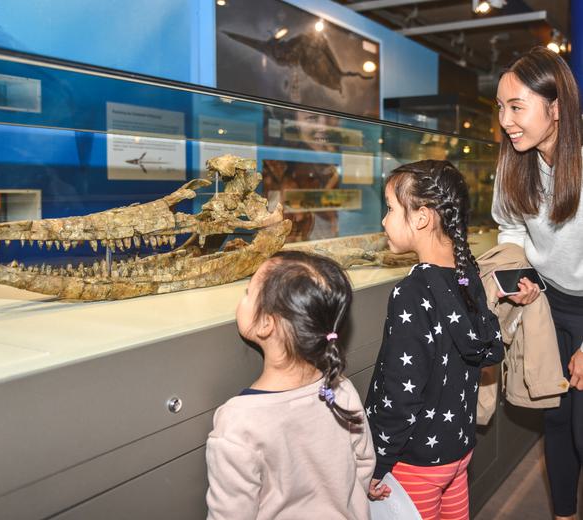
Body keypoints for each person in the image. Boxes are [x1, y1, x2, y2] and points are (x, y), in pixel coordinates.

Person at [365, 160, 504, 519]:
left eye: (391, 208)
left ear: (423, 217)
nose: (384, 220)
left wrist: (378, 463)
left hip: (415, 464)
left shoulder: (410, 293)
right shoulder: (466, 276)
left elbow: (401, 392)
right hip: (457, 452)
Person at [205, 250, 377, 520]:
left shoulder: (238, 422)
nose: (244, 296)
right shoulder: (340, 389)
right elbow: (364, 463)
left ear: (265, 324)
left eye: (248, 292)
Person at [493, 46, 583, 520]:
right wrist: (521, 279)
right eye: (502, 107)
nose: (506, 120)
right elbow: (510, 231)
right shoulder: (514, 162)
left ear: (555, 108)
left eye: (517, 107)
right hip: (549, 305)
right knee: (557, 419)